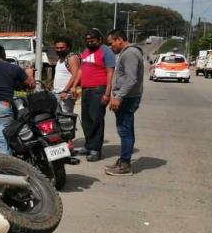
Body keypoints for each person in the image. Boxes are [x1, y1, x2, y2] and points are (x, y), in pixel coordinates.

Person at [105, 28, 144, 176]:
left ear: (119, 39)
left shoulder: (130, 53)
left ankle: (125, 165)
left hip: (127, 98)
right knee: (127, 130)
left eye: (111, 43)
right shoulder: (128, 53)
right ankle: (123, 160)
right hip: (127, 97)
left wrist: (119, 96)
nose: (110, 47)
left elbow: (131, 78)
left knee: (124, 131)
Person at [76, 28, 115, 162]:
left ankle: (95, 149)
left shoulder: (106, 51)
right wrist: (75, 85)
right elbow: (81, 70)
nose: (90, 43)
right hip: (86, 90)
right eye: (87, 41)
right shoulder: (86, 52)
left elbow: (110, 72)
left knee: (96, 120)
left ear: (99, 40)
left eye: (92, 41)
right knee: (86, 120)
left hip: (99, 90)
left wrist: (107, 93)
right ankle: (88, 145)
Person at [52, 36, 80, 114]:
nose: (59, 50)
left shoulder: (72, 58)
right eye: (57, 48)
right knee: (58, 118)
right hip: (57, 93)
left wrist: (65, 90)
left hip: (65, 94)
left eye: (62, 47)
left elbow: (75, 75)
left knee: (66, 119)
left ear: (68, 47)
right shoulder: (60, 59)